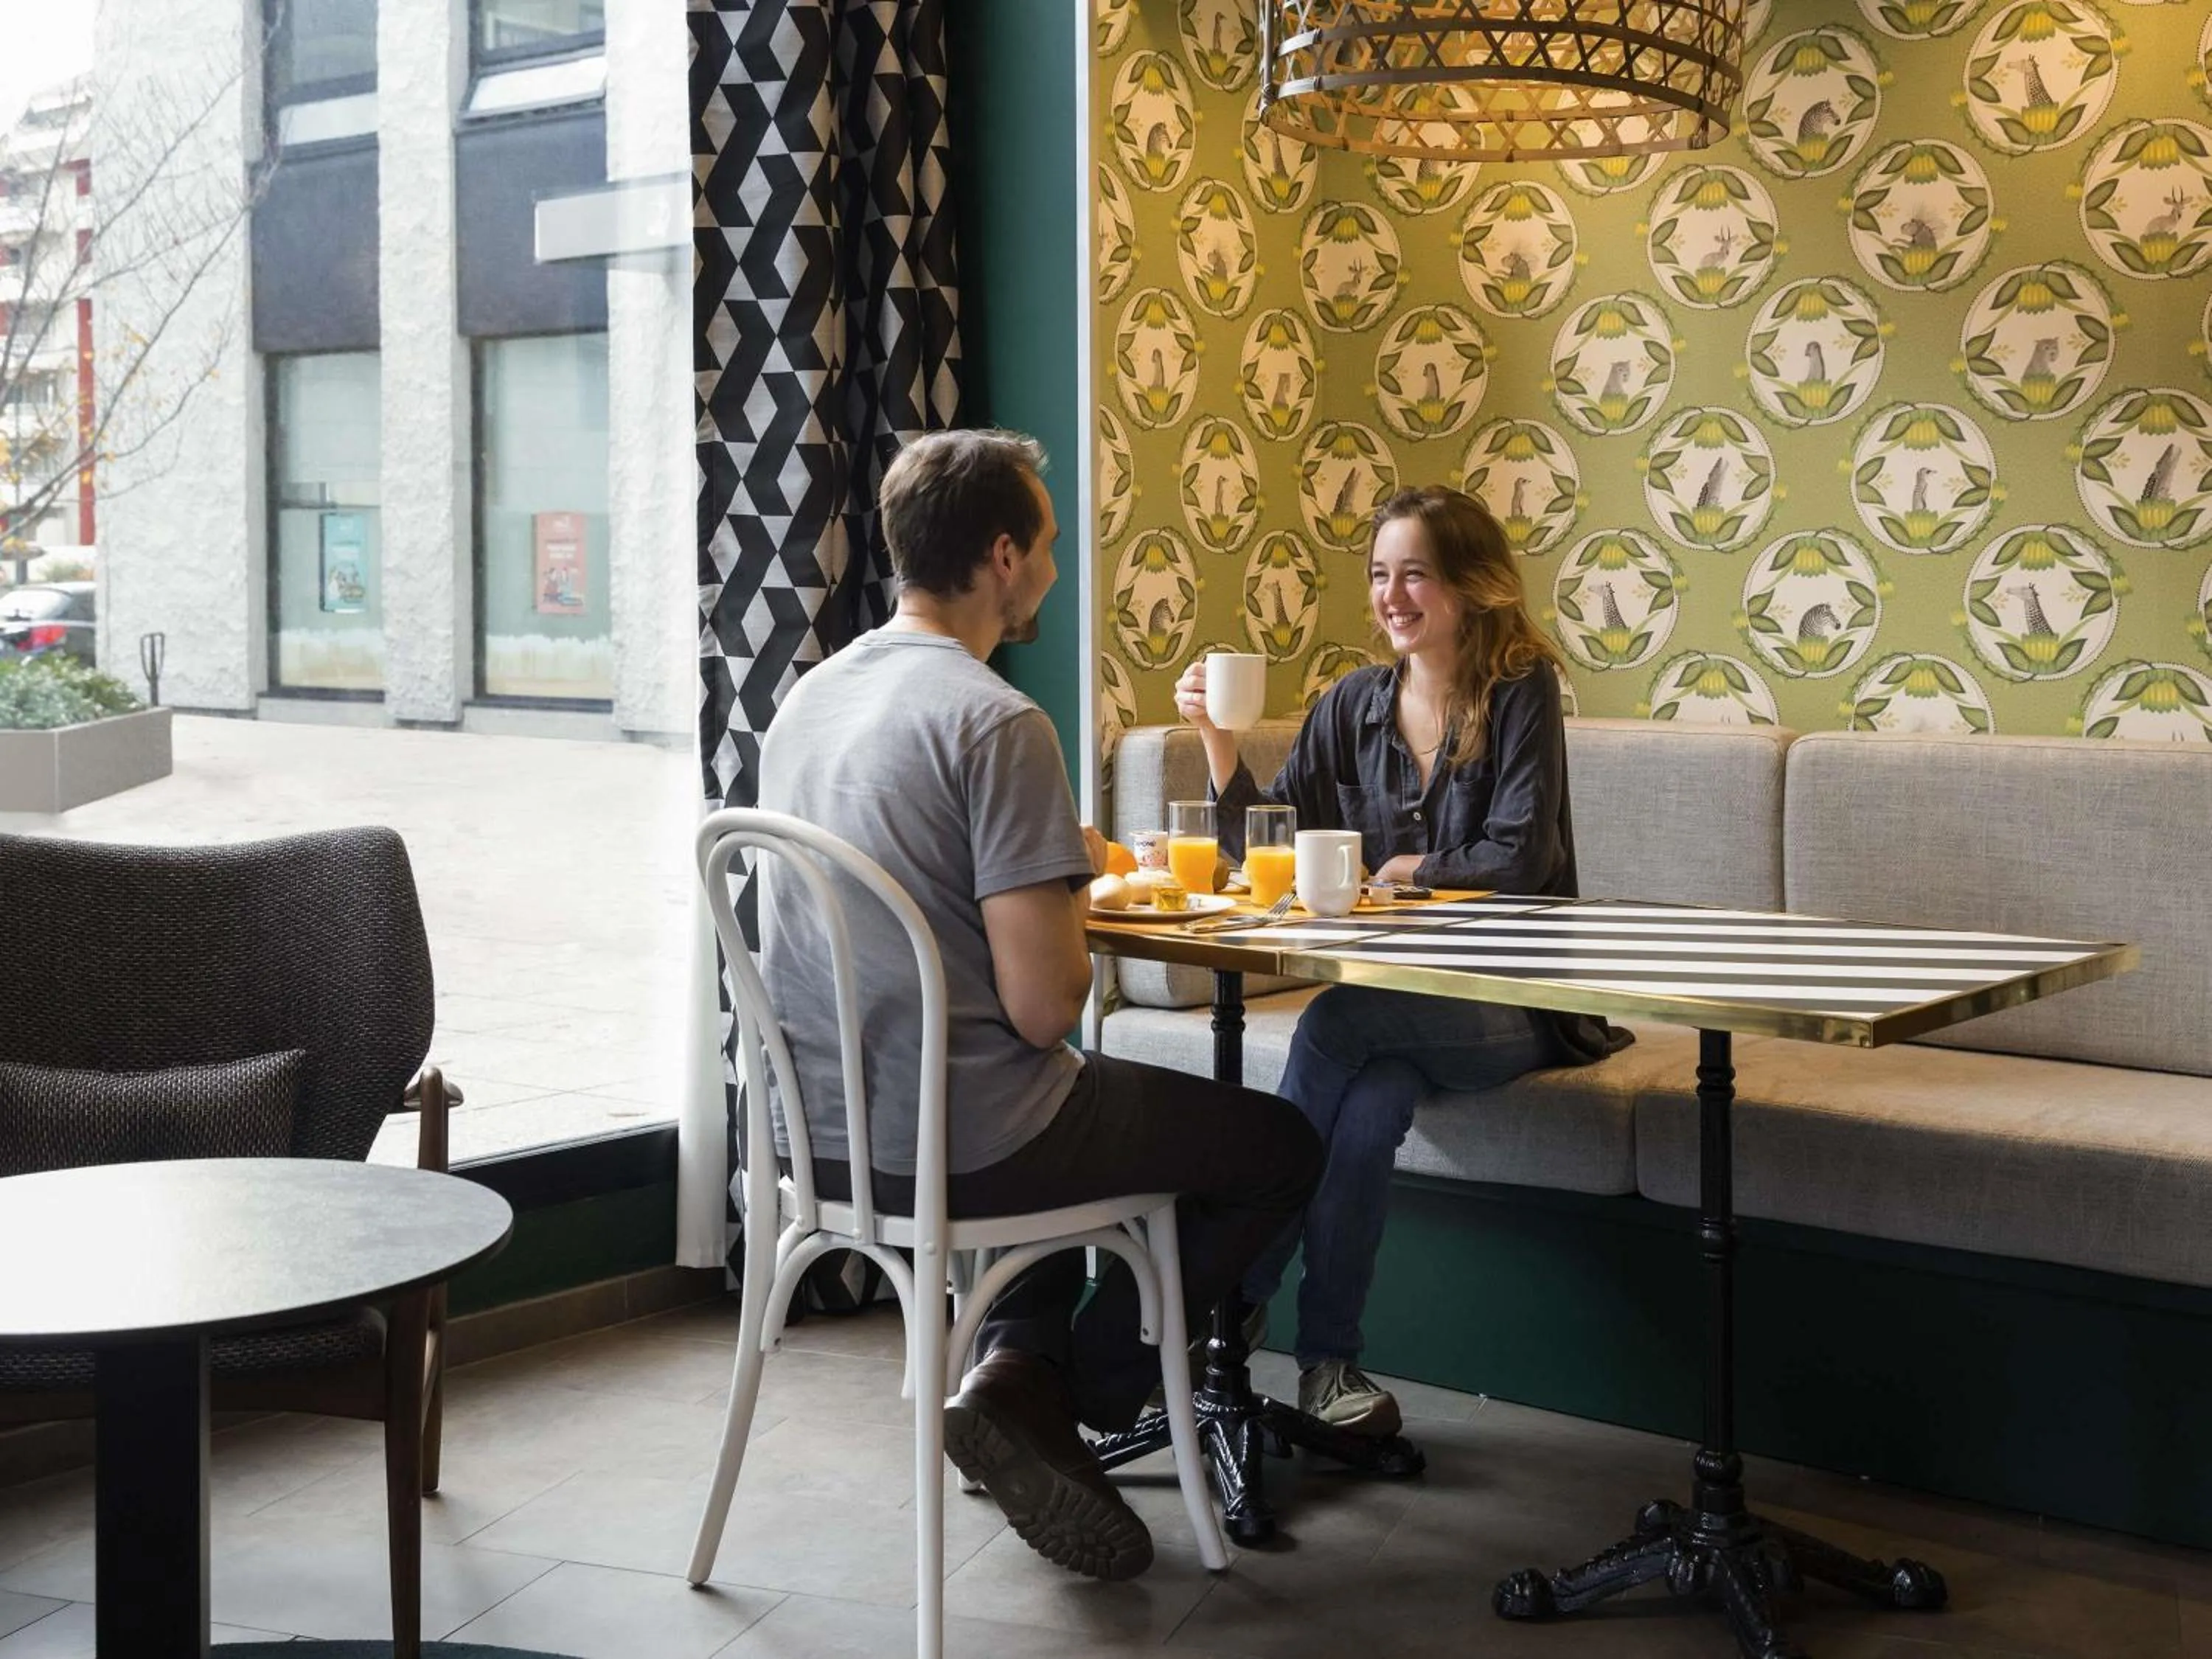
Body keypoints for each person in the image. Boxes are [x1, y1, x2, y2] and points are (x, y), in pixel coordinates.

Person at [757, 428, 1321, 1582]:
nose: (1056, 571)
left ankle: (1014, 1377)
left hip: (822, 1141)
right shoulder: (997, 719)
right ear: (1004, 555)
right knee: (1275, 1143)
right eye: (1050, 547)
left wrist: (1036, 859)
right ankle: (1078, 1386)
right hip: (968, 1138)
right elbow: (1045, 1005)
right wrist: (1058, 889)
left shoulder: (810, 699)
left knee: (1071, 1115)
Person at [1174, 484, 1628, 1439]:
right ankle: (1330, 1366)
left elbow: (1523, 857)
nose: (1392, 594)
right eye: (1381, 573)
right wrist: (1218, 742)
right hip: (1399, 1007)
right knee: (1370, 1090)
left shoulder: (1521, 690)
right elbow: (1271, 846)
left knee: (1336, 1022)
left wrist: (1412, 868)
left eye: (1415, 572)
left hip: (1517, 999)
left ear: (1468, 585)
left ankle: (1220, 1299)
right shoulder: (1353, 704)